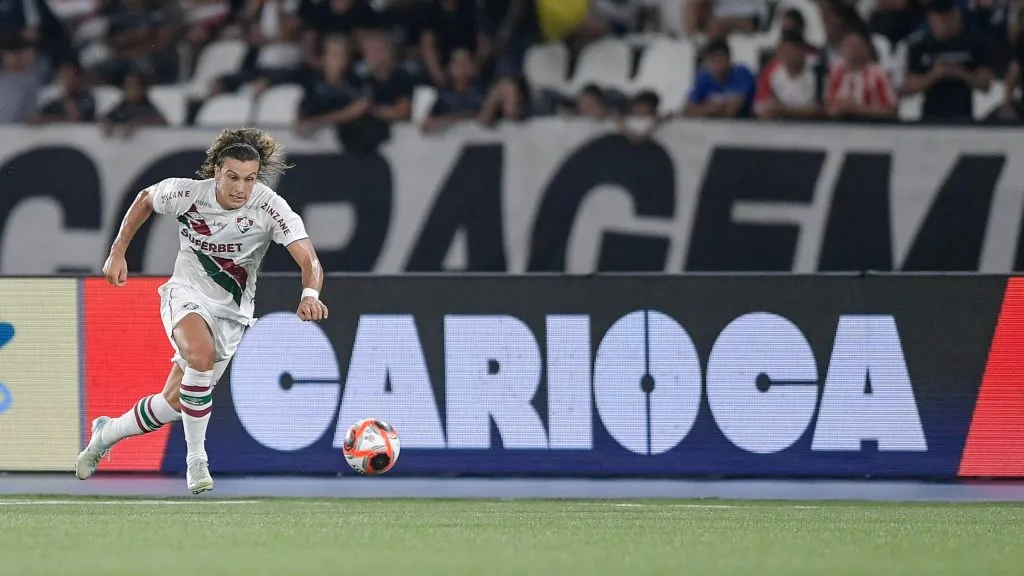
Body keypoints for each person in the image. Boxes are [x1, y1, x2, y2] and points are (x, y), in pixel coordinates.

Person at [74, 127, 329, 495]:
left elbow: (310, 260)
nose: (241, 188)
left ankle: (107, 433)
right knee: (200, 356)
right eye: (233, 177)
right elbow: (145, 199)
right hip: (185, 293)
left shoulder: (270, 206)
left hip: (232, 314)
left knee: (175, 403)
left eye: (250, 179)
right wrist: (118, 251)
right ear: (217, 171)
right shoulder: (188, 194)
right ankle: (196, 459)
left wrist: (309, 294)